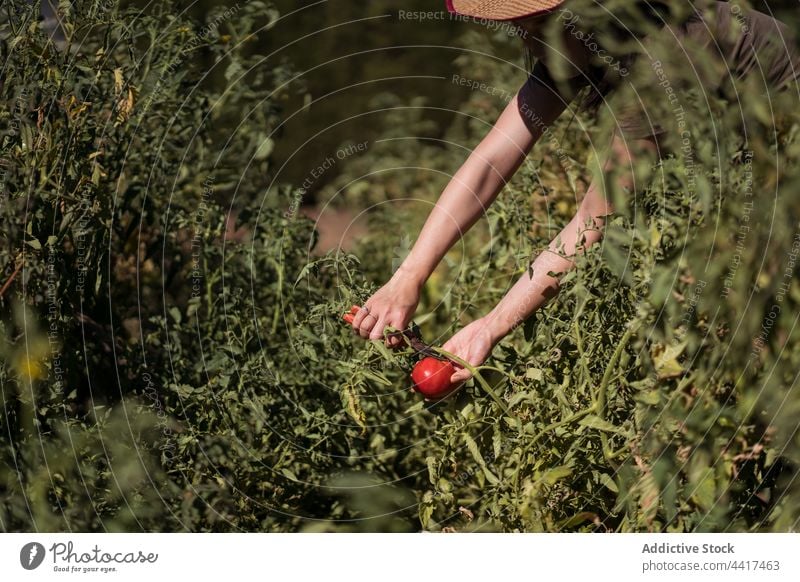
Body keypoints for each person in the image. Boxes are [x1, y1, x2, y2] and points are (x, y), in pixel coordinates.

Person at [349, 0, 800, 384]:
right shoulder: (578, 45)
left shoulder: (659, 64)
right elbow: (490, 163)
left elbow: (594, 219)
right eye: (520, 28)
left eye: (533, 25)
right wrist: (407, 277)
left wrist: (490, 327)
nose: (527, 43)